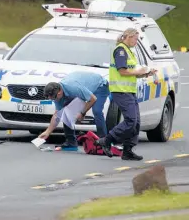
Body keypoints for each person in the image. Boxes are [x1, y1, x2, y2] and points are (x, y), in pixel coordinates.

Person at [96, 28, 156, 161]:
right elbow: (123, 71)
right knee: (131, 121)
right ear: (128, 37)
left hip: (129, 91)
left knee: (136, 122)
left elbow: (130, 73)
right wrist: (140, 70)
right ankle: (107, 140)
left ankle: (127, 150)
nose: (136, 41)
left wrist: (146, 73)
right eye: (135, 38)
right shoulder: (121, 51)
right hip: (121, 90)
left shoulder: (129, 51)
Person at [38, 71, 110, 151]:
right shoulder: (57, 95)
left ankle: (104, 142)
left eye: (55, 98)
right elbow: (57, 115)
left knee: (97, 111)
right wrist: (47, 132)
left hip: (99, 86)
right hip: (84, 87)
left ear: (60, 92)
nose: (55, 100)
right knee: (65, 111)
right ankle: (71, 143)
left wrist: (82, 113)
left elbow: (93, 99)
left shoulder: (73, 88)